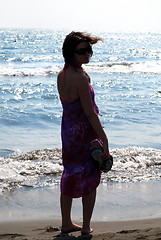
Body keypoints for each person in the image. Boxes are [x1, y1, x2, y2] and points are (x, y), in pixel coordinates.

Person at [57, 31, 111, 235]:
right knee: (89, 177)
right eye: (82, 51)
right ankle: (86, 227)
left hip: (68, 132)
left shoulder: (62, 74)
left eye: (89, 50)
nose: (88, 54)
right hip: (83, 133)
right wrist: (104, 139)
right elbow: (89, 113)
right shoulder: (79, 77)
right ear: (70, 53)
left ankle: (66, 223)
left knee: (69, 174)